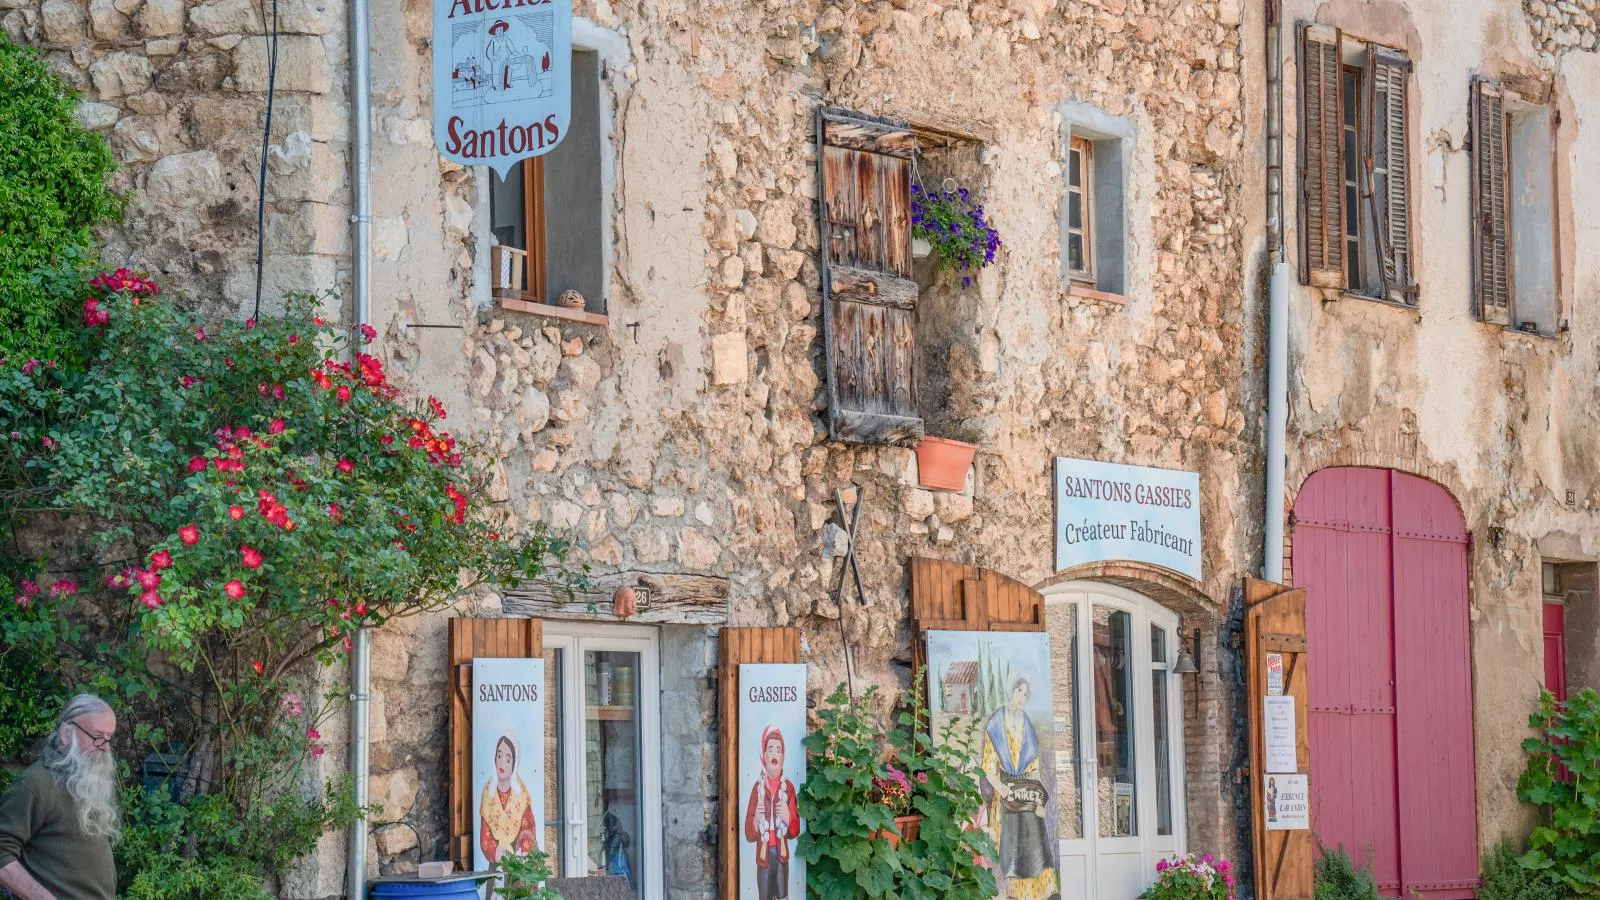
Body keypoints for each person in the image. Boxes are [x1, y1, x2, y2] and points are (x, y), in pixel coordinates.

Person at [0, 694, 121, 900]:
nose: (105, 748)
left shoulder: (86, 780)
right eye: (97, 737)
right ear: (66, 733)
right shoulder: (35, 784)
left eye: (109, 738)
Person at [980, 675, 1059, 900]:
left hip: (1025, 789)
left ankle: (1040, 892)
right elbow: (987, 767)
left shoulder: (1025, 722)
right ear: (1011, 691)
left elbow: (1033, 766)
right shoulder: (995, 723)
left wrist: (1039, 796)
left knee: (1035, 836)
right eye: (1020, 692)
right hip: (1004, 790)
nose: (1022, 697)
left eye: (1026, 694)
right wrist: (1002, 789)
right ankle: (1010, 893)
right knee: (1007, 842)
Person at [743, 726, 799, 900]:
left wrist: (788, 817)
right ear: (764, 756)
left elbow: (795, 831)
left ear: (783, 757)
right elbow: (748, 834)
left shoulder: (788, 788)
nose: (774, 754)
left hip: (781, 856)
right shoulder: (757, 789)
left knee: (783, 896)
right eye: (770, 749)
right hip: (764, 857)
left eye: (778, 750)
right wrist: (756, 821)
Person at [479, 735, 537, 864]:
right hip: (495, 857)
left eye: (508, 759)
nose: (502, 763)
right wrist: (494, 851)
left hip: (517, 858)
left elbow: (528, 828)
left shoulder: (521, 794)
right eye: (499, 756)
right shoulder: (488, 792)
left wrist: (524, 849)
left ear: (514, 764)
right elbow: (484, 832)